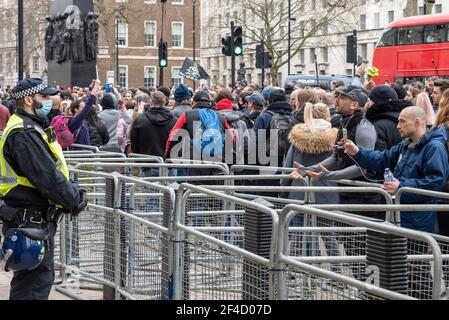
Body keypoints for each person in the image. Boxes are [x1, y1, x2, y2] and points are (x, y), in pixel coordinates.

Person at [0, 78, 87, 300]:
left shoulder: (28, 128)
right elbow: (47, 177)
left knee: (31, 283)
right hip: (30, 221)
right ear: (29, 100)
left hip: (29, 219)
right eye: (45, 97)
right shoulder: (24, 133)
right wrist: (74, 199)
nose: (50, 100)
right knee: (33, 286)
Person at [344, 106, 448, 233]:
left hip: (418, 221)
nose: (398, 126)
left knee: (413, 252)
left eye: (402, 121)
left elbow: (435, 182)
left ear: (417, 122)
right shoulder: (406, 145)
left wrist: (401, 187)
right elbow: (383, 159)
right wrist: (357, 152)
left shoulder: (434, 147)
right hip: (402, 215)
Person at [130, 91, 177, 176]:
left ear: (151, 102)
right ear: (164, 102)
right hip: (167, 164)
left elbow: (134, 143)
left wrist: (140, 158)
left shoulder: (140, 120)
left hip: (148, 163)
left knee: (148, 189)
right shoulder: (174, 121)